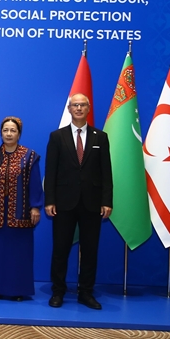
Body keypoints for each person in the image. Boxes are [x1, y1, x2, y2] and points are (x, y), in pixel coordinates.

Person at [44, 93, 113, 309]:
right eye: (75, 105)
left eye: (83, 105)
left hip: (92, 203)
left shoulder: (100, 137)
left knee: (90, 250)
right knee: (60, 249)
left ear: (88, 108)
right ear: (69, 109)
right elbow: (51, 171)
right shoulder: (57, 136)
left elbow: (106, 172)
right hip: (63, 203)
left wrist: (107, 201)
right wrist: (49, 200)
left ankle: (86, 292)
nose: (79, 108)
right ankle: (58, 292)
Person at [0, 116, 43, 300]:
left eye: (13, 130)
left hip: (20, 212)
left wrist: (35, 207)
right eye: (5, 130)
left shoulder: (29, 156)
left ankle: (17, 290)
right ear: (1, 133)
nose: (9, 134)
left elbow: (35, 183)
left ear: (19, 134)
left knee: (18, 253)